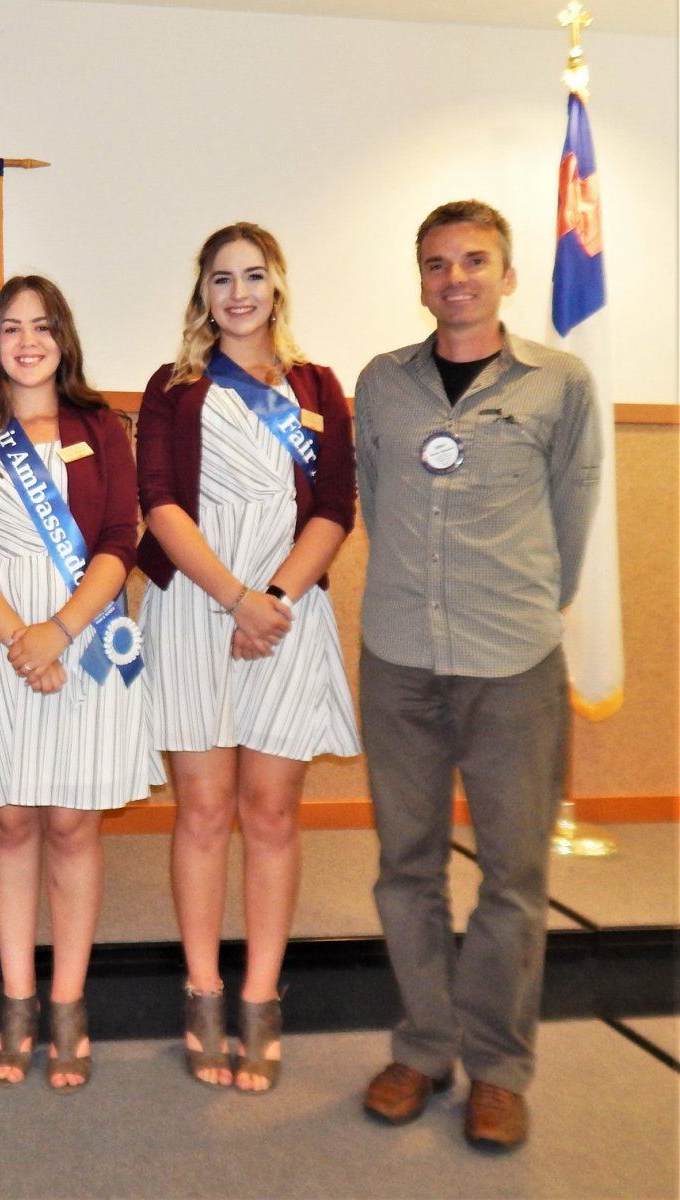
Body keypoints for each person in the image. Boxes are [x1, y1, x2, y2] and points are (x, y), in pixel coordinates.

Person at [356, 200, 600, 1150]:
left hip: (513, 663)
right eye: (436, 263)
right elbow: (377, 500)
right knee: (404, 867)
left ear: (505, 273)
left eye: (473, 261)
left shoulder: (559, 382)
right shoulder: (383, 383)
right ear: (419, 278)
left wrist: (526, 605)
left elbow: (573, 514)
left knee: (513, 873)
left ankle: (498, 1067)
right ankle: (422, 1047)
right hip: (401, 659)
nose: (453, 278)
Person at [136, 223, 360, 1093]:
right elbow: (157, 503)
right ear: (202, 293)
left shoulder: (317, 387)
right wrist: (237, 599)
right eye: (221, 279)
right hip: (196, 608)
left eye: (253, 276)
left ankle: (262, 996)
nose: (238, 293)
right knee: (201, 810)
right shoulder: (173, 386)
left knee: (270, 812)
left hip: (290, 609)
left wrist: (275, 600)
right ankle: (202, 992)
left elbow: (336, 505)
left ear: (278, 286)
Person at [0, 276, 161, 1091]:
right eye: (12, 329)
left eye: (43, 326)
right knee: (13, 822)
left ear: (64, 338)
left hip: (87, 640)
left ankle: (69, 1004)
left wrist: (57, 630)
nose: (28, 342)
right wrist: (18, 637)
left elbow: (118, 537)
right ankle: (18, 1001)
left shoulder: (105, 429)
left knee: (72, 826)